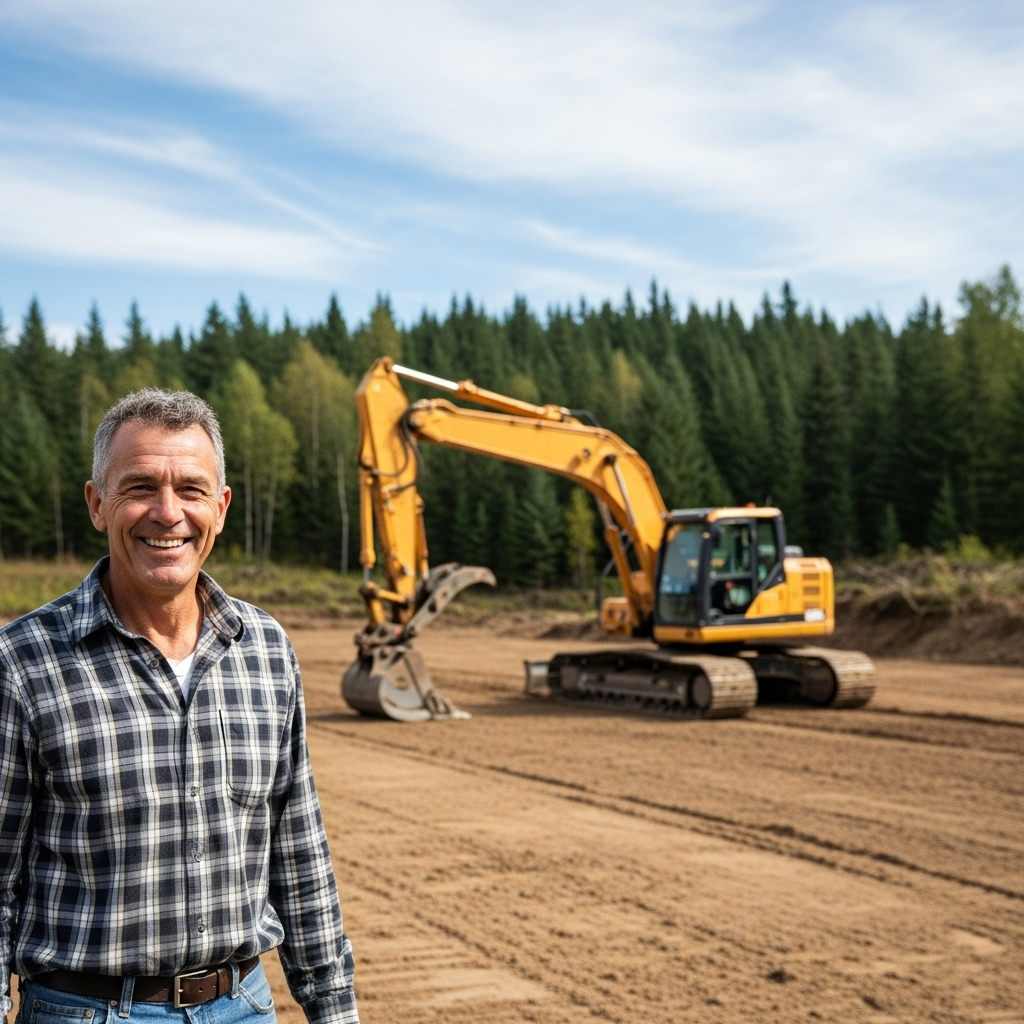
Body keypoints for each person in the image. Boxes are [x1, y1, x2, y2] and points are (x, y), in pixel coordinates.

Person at [0, 389, 358, 1024]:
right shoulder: (23, 661)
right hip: (86, 1012)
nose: (168, 513)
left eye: (191, 489)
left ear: (219, 509)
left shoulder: (266, 648)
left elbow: (299, 850)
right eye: (139, 486)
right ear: (96, 504)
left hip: (242, 1005)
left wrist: (335, 1010)